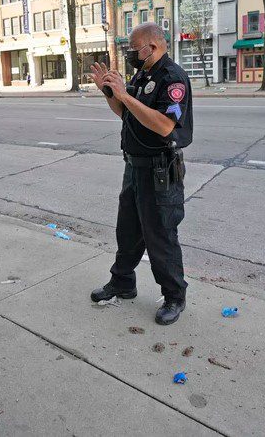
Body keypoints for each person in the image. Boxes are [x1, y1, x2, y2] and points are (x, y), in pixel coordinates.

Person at [90, 22, 193, 325]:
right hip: (134, 166)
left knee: (161, 235)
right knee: (128, 230)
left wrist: (125, 95)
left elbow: (164, 125)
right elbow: (125, 112)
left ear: (154, 46)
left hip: (159, 170)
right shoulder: (143, 74)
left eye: (134, 49)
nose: (130, 54)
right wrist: (110, 93)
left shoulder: (172, 78)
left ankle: (174, 296)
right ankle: (123, 282)